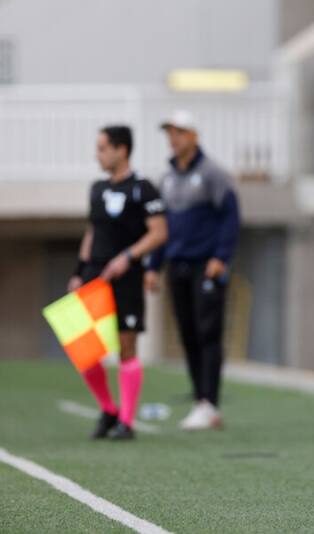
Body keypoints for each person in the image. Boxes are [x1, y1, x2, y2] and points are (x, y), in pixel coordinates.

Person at [68, 125, 167, 440]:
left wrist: (128, 257)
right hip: (94, 275)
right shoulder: (96, 188)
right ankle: (108, 409)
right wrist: (78, 271)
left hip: (127, 277)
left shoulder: (143, 188)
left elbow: (159, 232)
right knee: (83, 348)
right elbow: (92, 231)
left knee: (126, 345)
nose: (97, 155)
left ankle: (127, 420)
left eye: (102, 148)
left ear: (121, 150)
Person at [145, 110, 240, 431]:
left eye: (179, 132)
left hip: (206, 265)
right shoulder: (168, 178)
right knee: (187, 334)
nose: (174, 139)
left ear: (194, 136)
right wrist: (154, 266)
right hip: (179, 264)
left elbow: (230, 216)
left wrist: (221, 256)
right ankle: (201, 397)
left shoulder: (213, 173)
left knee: (207, 332)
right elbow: (162, 226)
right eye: (170, 133)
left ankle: (208, 403)